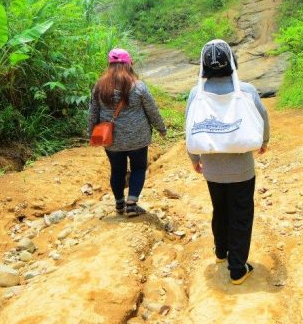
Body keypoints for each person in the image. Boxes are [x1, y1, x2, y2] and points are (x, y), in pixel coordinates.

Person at [185, 40, 270, 285]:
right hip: (242, 169)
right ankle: (237, 269)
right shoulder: (246, 91)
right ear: (232, 61)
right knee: (240, 214)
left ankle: (221, 252)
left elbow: (190, 127)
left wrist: (194, 158)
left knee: (219, 209)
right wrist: (264, 141)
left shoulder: (196, 94)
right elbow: (262, 117)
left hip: (212, 170)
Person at [88, 48, 167, 217]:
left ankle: (119, 204)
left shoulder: (99, 87)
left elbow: (92, 113)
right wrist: (161, 128)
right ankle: (131, 204)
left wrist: (91, 134)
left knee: (117, 170)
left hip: (111, 140)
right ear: (129, 64)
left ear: (109, 65)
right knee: (138, 168)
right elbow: (152, 110)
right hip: (138, 138)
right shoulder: (138, 86)